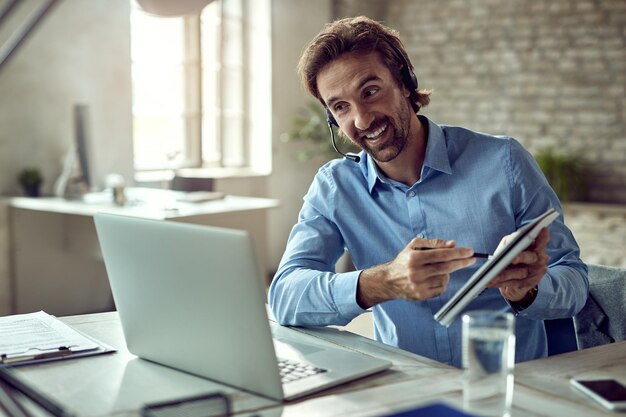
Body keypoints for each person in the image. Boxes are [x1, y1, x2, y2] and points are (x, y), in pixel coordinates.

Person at [268, 16, 588, 367]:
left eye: (370, 91)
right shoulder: (335, 186)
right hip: (407, 387)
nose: (361, 120)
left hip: (506, 386)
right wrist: (383, 281)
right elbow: (285, 296)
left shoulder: (504, 161)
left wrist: (528, 291)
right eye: (340, 107)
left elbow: (574, 279)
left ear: (404, 82)